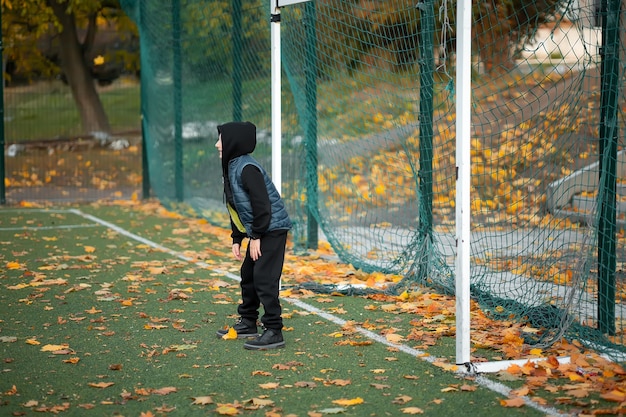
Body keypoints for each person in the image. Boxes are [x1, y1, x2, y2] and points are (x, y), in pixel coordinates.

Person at [214, 121, 292, 350]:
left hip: (272, 229)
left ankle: (274, 330)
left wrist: (256, 236)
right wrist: (237, 237)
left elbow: (262, 205)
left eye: (221, 139)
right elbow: (237, 206)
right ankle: (248, 321)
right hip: (261, 229)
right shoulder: (232, 166)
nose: (217, 144)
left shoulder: (247, 168)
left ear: (233, 143)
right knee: (248, 273)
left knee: (264, 277)